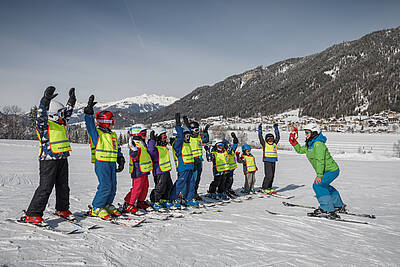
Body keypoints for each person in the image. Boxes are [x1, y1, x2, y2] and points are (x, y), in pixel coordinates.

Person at [23, 86, 76, 226]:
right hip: (48, 160)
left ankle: (62, 209)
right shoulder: (44, 125)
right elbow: (41, 115)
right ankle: (33, 214)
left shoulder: (61, 123)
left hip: (62, 159)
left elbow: (68, 113)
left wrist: (72, 101)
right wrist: (45, 101)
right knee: (45, 187)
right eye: (60, 113)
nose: (63, 115)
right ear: (52, 113)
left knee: (63, 186)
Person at [289, 123, 344, 219]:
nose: (305, 134)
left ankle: (327, 209)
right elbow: (301, 150)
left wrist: (319, 175)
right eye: (305, 132)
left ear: (314, 132)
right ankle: (338, 205)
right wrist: (294, 143)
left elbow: (320, 161)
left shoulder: (318, 144)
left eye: (307, 132)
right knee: (324, 186)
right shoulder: (311, 143)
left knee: (318, 185)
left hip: (331, 170)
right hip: (327, 170)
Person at [84, 95, 125, 220]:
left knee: (113, 186)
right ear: (105, 122)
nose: (113, 124)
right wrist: (89, 113)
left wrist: (120, 158)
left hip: (111, 162)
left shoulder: (112, 134)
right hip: (101, 162)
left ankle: (107, 204)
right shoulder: (97, 133)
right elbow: (90, 125)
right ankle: (97, 207)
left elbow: (116, 148)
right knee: (105, 185)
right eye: (111, 121)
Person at [122, 124, 153, 213]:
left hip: (144, 170)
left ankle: (140, 201)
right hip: (137, 170)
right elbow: (133, 156)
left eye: (145, 133)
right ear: (136, 134)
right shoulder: (134, 144)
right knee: (137, 188)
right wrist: (134, 150)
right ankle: (129, 203)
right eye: (143, 134)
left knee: (145, 187)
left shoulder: (142, 143)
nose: (145, 136)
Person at [170, 113, 198, 208]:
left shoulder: (187, 143)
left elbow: (188, 133)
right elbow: (181, 137)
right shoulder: (177, 145)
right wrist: (178, 125)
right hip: (183, 167)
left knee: (191, 184)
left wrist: (187, 124)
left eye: (188, 135)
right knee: (180, 184)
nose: (187, 137)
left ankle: (189, 199)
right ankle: (173, 198)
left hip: (190, 167)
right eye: (185, 135)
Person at [183, 117, 210, 201]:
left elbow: (205, 139)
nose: (197, 132)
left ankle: (194, 193)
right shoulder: (188, 138)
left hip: (199, 160)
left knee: (198, 178)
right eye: (195, 130)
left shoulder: (198, 137)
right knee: (191, 179)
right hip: (191, 160)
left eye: (198, 130)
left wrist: (205, 131)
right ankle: (185, 194)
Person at [147, 128, 174, 210]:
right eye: (163, 135)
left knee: (169, 186)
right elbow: (150, 150)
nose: (165, 136)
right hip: (159, 171)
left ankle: (164, 199)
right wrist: (152, 140)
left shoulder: (163, 146)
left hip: (166, 170)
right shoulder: (155, 147)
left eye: (165, 134)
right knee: (160, 187)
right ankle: (154, 200)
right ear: (158, 137)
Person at [258, 123, 280, 194]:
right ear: (266, 140)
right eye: (269, 139)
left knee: (272, 175)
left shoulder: (274, 143)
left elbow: (278, 137)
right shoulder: (265, 144)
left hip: (273, 161)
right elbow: (260, 137)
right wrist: (260, 130)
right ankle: (264, 188)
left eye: (272, 139)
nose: (270, 140)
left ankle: (269, 187)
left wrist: (276, 129)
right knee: (268, 175)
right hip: (267, 161)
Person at [223, 132, 239, 198]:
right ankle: (224, 189)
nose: (229, 147)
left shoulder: (232, 150)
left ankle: (229, 188)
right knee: (225, 180)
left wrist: (235, 138)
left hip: (232, 168)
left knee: (230, 179)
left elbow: (235, 144)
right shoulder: (223, 152)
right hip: (226, 168)